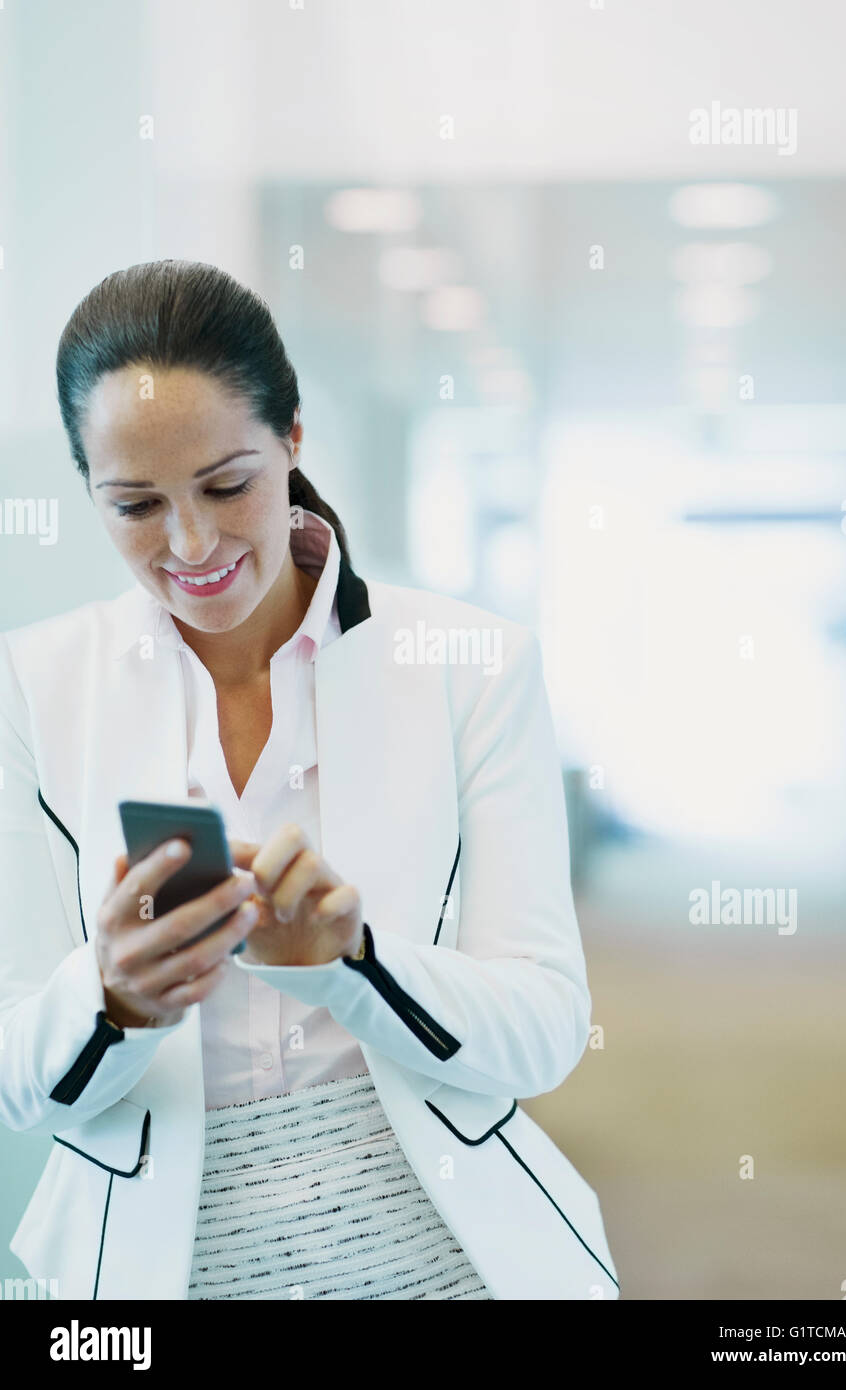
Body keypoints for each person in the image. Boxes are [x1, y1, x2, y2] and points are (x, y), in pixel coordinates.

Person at [0, 258, 620, 1300]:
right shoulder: (28, 691)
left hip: (443, 1247)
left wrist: (355, 962)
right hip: (151, 1271)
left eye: (226, 484)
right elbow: (20, 1078)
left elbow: (545, 1030)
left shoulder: (471, 664)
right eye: (136, 505)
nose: (190, 543)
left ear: (291, 438)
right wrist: (108, 998)